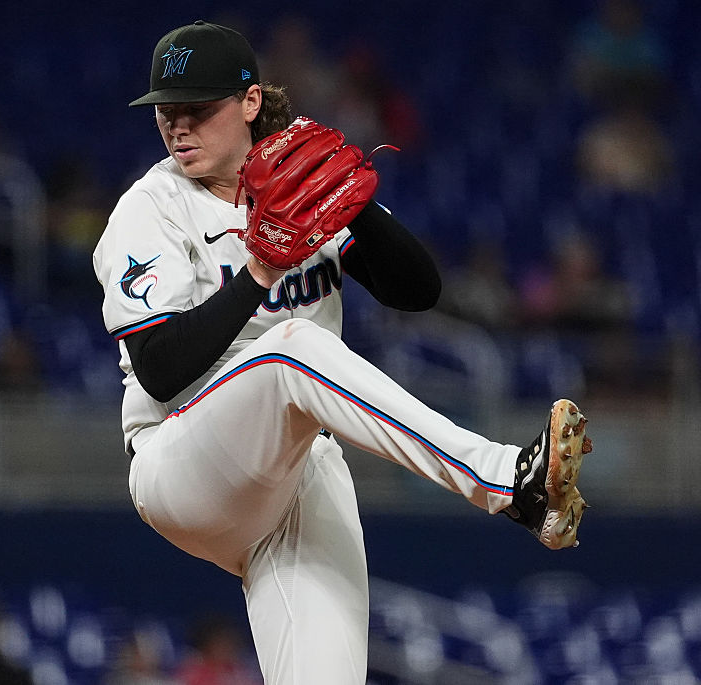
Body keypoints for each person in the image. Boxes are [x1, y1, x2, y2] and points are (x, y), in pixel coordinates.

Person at [92, 21, 593, 683]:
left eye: (198, 109)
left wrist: (351, 203)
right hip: (183, 459)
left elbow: (419, 289)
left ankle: (516, 485)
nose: (178, 126)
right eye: (166, 112)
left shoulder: (295, 178)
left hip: (299, 469)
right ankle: (508, 480)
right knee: (293, 348)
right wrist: (262, 272)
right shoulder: (149, 208)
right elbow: (159, 368)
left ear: (248, 103)